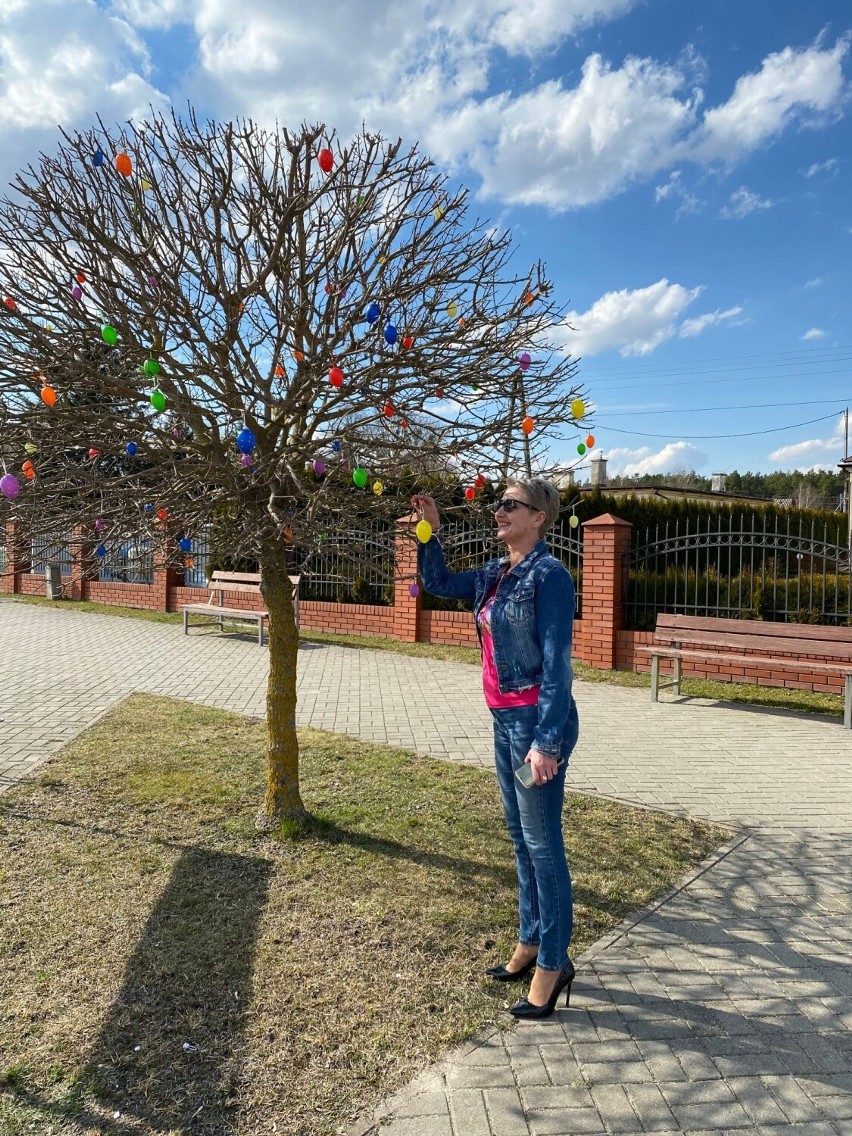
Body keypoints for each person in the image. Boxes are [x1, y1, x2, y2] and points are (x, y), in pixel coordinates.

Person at [410, 479, 579, 1019]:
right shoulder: (496, 573)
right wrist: (429, 532)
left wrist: (546, 743)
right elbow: (436, 581)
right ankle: (530, 942)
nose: (498, 511)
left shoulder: (550, 576)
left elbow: (557, 664)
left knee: (543, 844)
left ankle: (553, 964)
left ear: (539, 517)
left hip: (534, 727)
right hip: (503, 720)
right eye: (498, 503)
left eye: (510, 504)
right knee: (519, 838)